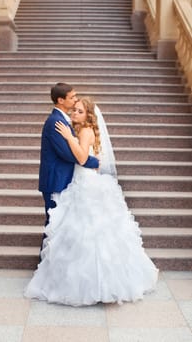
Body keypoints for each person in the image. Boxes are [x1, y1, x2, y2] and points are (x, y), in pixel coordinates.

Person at [24, 97, 158, 306]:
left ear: (88, 115)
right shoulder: (81, 129)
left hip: (86, 185)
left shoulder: (84, 131)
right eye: (74, 110)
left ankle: (100, 285)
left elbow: (82, 158)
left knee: (91, 233)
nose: (74, 114)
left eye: (79, 111)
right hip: (79, 181)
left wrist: (69, 138)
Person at [38, 83, 99, 256]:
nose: (75, 100)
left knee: (58, 224)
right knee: (53, 225)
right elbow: (69, 154)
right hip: (55, 181)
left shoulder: (66, 120)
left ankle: (50, 265)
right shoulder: (55, 122)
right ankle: (45, 265)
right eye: (72, 97)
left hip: (64, 179)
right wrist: (94, 162)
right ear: (60, 100)